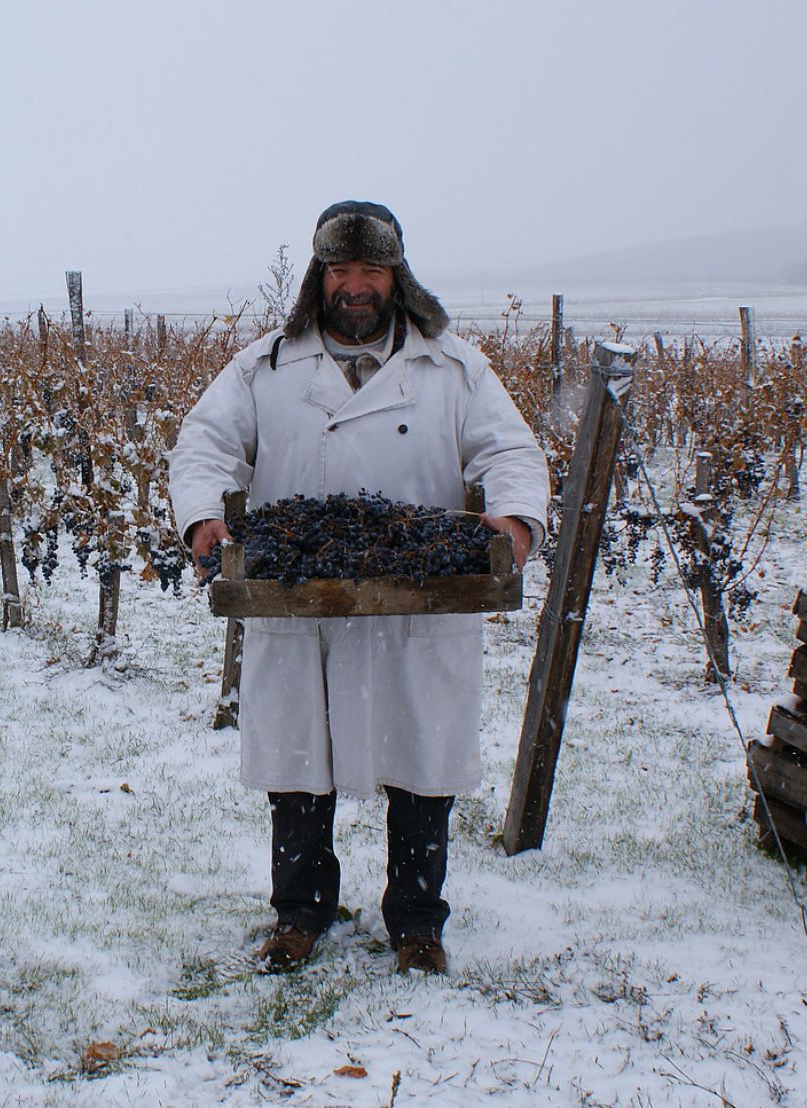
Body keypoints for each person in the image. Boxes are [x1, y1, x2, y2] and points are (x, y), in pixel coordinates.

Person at [166, 200, 551, 975]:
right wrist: (203, 518)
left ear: (395, 274)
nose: (355, 285)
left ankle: (416, 923)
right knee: (299, 763)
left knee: (421, 758)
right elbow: (203, 444)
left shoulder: (452, 366)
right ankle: (300, 913)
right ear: (320, 276)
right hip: (302, 602)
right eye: (340, 270)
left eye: (370, 269)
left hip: (421, 604)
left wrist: (513, 521)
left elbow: (510, 448)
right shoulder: (265, 364)